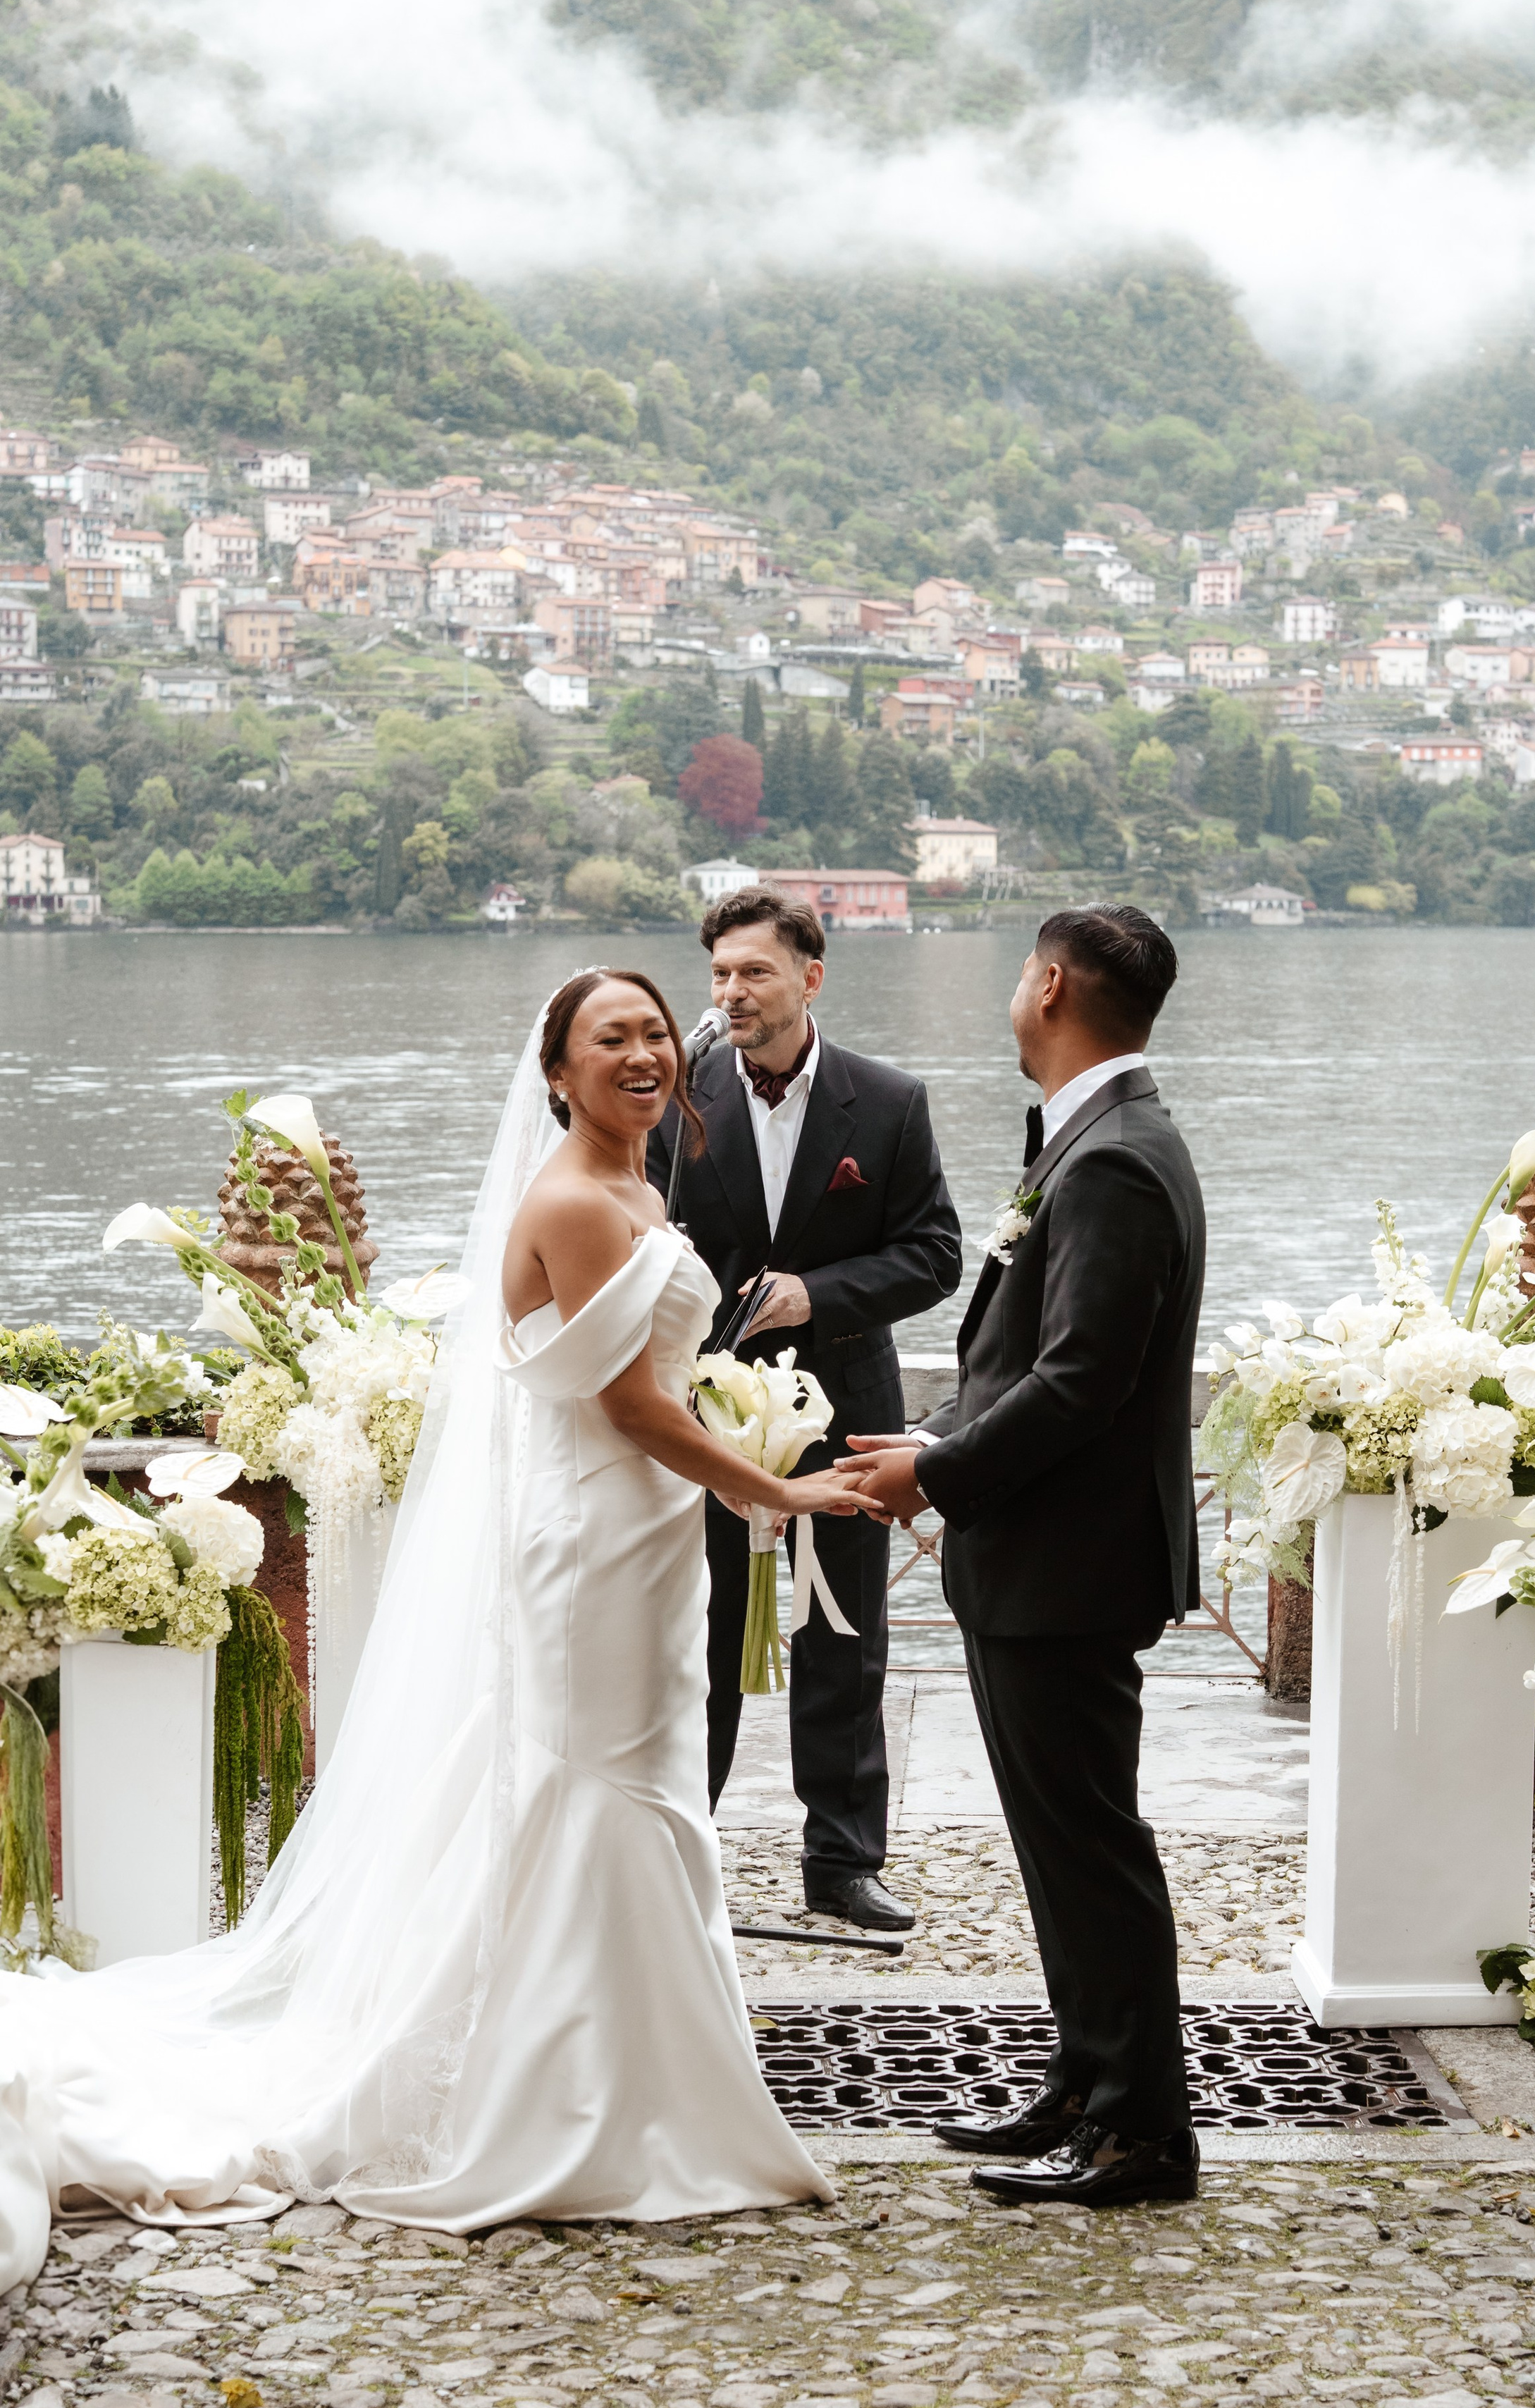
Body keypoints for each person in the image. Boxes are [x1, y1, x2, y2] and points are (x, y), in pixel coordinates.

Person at [0, 968, 880, 2285]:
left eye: (654, 1034)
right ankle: (576, 2104)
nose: (642, 1054)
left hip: (642, 1537)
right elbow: (633, 1409)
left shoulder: (641, 1188)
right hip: (595, 1537)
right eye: (610, 1040)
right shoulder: (580, 1200)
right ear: (557, 1075)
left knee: (624, 1782)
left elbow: (650, 1387)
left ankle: (636, 2078)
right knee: (598, 1785)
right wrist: (774, 1485)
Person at [837, 905, 1207, 2211]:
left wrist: (935, 1472)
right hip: (1042, 1557)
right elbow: (1024, 1358)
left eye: (1015, 974)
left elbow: (1082, 1380)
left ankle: (1144, 2137)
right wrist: (931, 1429)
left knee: (1091, 1845)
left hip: (1067, 1567)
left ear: (1049, 985)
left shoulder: (1112, 1157)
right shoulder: (1099, 1135)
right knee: (1060, 1845)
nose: (1011, 994)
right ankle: (1085, 2084)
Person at [647, 887, 961, 1934]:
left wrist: (818, 1294)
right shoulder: (673, 1096)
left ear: (810, 978)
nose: (731, 993)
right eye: (720, 975)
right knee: (702, 1636)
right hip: (706, 1412)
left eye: (754, 973)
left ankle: (842, 1864)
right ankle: (687, 1847)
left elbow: (934, 1255)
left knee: (846, 1636)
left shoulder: (889, 1100)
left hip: (847, 1413)